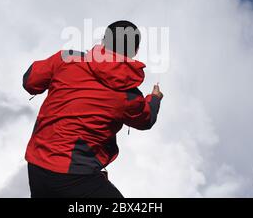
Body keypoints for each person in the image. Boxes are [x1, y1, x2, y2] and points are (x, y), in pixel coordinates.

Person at [23, 20, 164, 198]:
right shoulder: (129, 96)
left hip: (37, 165)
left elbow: (30, 82)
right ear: (135, 51)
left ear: (104, 40)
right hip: (76, 176)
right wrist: (154, 98)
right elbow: (146, 119)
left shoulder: (66, 58)